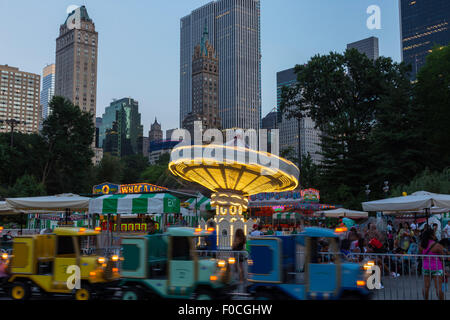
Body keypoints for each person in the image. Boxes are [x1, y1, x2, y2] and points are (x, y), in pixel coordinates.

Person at [420, 228, 445, 300]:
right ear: (431, 235)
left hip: (425, 267)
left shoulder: (422, 245)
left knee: (426, 286)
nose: (435, 235)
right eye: (434, 233)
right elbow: (442, 257)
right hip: (437, 268)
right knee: (438, 288)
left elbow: (420, 254)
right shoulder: (437, 245)